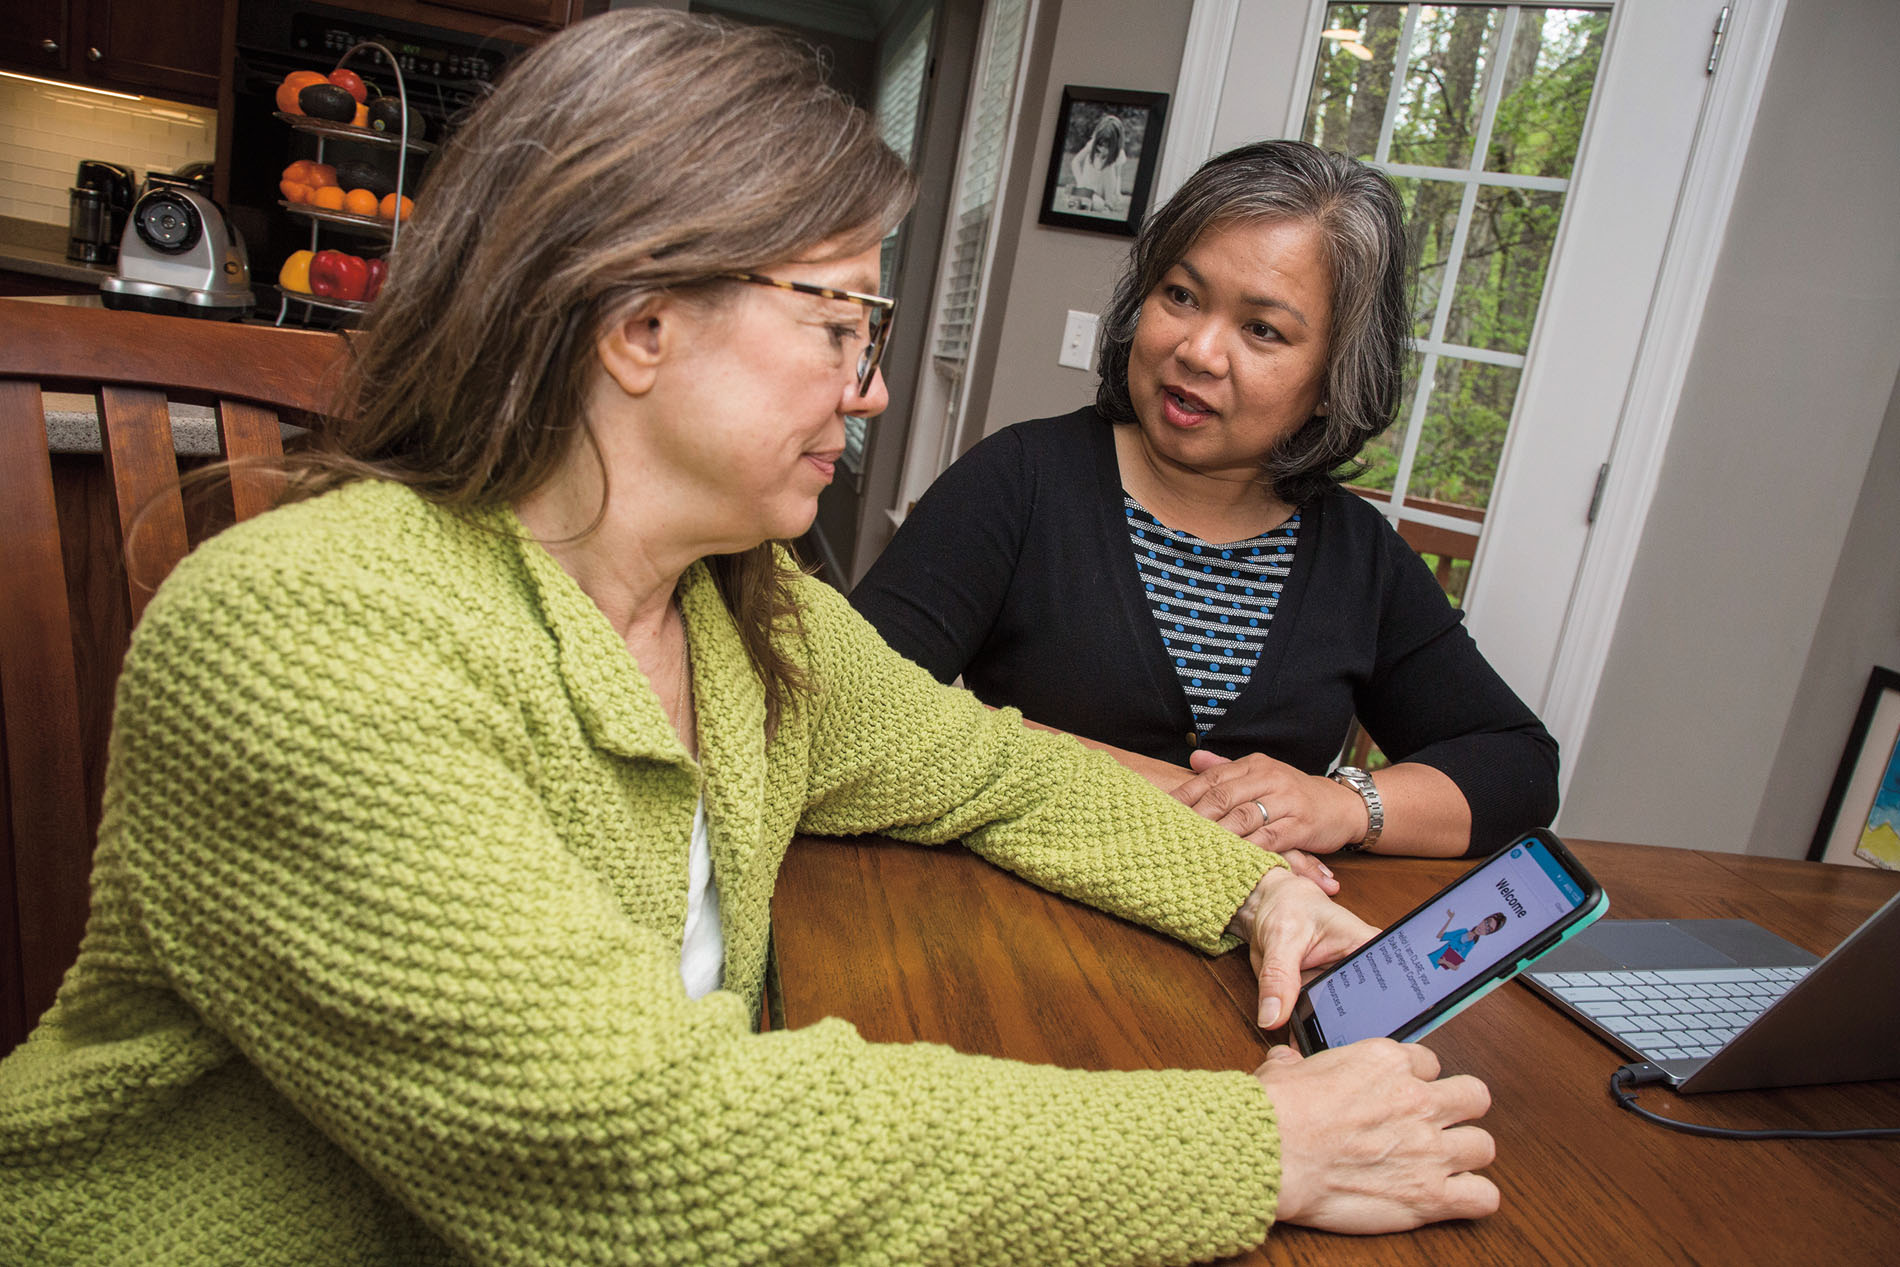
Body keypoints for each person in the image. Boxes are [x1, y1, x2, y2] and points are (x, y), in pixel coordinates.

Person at [0, 19, 1497, 1264]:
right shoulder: (309, 633)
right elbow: (630, 1148)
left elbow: (992, 770)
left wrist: (1253, 896)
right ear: (639, 322)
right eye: (841, 321)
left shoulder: (744, 612)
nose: (871, 388)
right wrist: (1253, 1143)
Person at [853, 140, 1559, 865]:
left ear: (1330, 382)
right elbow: (853, 704)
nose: (1198, 350)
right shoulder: (1018, 479)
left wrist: (1342, 804)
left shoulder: (1360, 556)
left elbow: (1520, 769)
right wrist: (1193, 805)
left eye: (1262, 330)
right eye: (1181, 295)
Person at [1068, 113, 1128, 214]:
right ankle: (1095, 203)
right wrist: (1080, 183)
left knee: (1109, 168)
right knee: (1095, 203)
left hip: (1106, 192)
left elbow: (1118, 176)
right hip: (1088, 189)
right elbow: (1075, 162)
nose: (1102, 149)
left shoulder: (1118, 154)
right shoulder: (1091, 146)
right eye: (1100, 145)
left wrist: (1117, 192)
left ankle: (1106, 204)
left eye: (1107, 146)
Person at [1431, 911, 1508, 970]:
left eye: (1488, 930)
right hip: (1430, 956)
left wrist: (1444, 962)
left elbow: (1456, 966)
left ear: (1488, 934)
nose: (1483, 928)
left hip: (1434, 966)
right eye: (1487, 922)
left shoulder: (1470, 944)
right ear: (1483, 920)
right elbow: (1439, 935)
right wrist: (1450, 919)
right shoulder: (1463, 931)